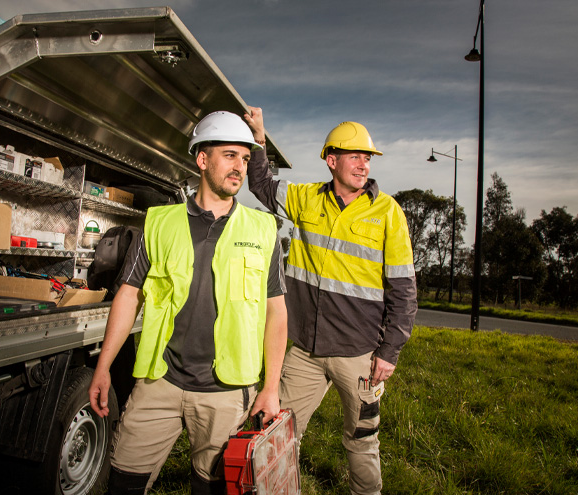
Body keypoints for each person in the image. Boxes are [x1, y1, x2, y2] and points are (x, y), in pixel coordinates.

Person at [88, 110, 288, 495]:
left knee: (212, 488)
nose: (240, 167)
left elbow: (276, 311)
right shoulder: (159, 223)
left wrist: (271, 387)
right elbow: (128, 295)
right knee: (122, 483)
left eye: (245, 158)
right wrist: (103, 366)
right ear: (202, 159)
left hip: (228, 392)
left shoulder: (264, 230)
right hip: (159, 381)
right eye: (229, 155)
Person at [244, 107, 417, 495]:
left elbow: (404, 292)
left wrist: (389, 352)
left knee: (362, 442)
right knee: (278, 433)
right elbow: (262, 184)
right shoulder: (305, 198)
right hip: (305, 351)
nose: (363, 164)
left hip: (359, 356)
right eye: (355, 156)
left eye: (367, 157)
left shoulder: (388, 213)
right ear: (331, 160)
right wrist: (258, 138)